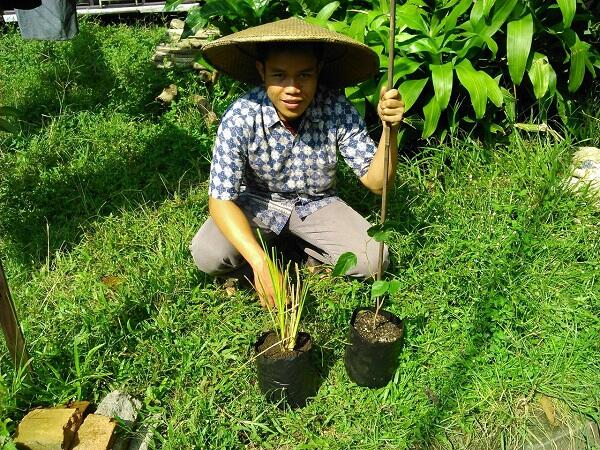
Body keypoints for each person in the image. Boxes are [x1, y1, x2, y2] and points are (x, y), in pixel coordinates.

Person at [190, 17, 405, 307]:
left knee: (374, 259)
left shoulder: (335, 109)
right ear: (261, 71)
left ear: (318, 71)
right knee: (207, 253)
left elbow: (377, 184)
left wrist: (390, 129)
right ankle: (276, 256)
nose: (293, 89)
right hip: (257, 202)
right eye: (279, 76)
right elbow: (220, 200)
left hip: (317, 204)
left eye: (304, 75)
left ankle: (297, 248)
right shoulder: (241, 116)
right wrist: (260, 262)